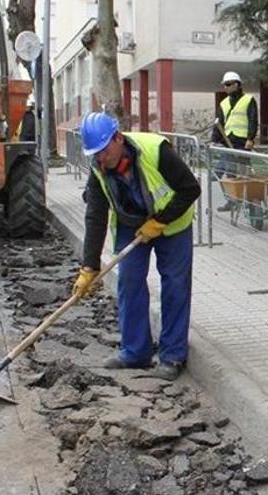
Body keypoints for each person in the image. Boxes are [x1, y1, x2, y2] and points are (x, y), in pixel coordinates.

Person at [72, 112, 200, 381]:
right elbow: (95, 216)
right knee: (129, 281)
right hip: (130, 223)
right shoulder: (98, 169)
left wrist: (161, 221)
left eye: (103, 151)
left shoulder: (156, 150)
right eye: (94, 154)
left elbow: (191, 189)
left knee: (175, 285)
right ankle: (135, 351)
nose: (100, 159)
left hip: (173, 224)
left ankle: (172, 356)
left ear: (118, 138)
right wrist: (89, 266)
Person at [211, 71, 258, 212]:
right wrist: (214, 140)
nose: (225, 87)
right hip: (228, 142)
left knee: (245, 173)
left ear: (237, 84)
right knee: (227, 172)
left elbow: (253, 120)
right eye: (224, 85)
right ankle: (232, 201)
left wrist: (251, 138)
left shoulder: (249, 100)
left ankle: (249, 201)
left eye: (228, 84)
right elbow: (218, 122)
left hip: (243, 142)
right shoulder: (223, 103)